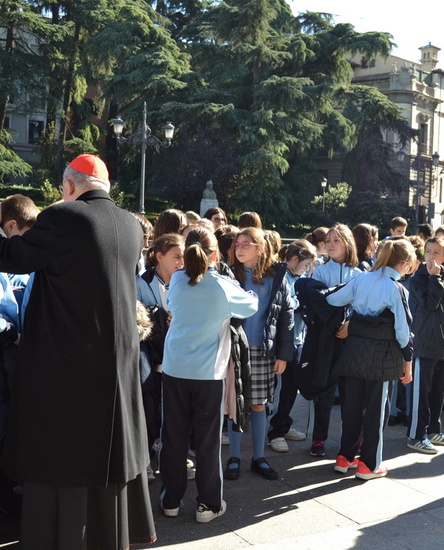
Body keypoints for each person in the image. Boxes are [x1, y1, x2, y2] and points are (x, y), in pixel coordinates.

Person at [0, 154, 156, 549]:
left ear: (69, 185)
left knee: (64, 464)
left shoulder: (65, 217)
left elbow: (13, 257)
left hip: (67, 369)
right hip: (116, 365)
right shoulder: (130, 224)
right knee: (105, 461)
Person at [159, 227, 258, 521]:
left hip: (175, 368)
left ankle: (171, 500)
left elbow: (169, 305)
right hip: (207, 373)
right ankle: (208, 504)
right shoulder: (221, 284)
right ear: (215, 253)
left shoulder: (176, 280)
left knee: (173, 437)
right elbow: (251, 305)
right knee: (207, 442)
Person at [326, 239, 414, 480]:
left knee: (352, 406)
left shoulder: (362, 278)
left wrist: (349, 319)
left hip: (354, 349)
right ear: (405, 263)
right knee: (376, 411)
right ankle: (369, 464)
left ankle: (345, 457)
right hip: (383, 355)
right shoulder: (396, 288)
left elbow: (333, 299)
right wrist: (408, 361)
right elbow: (403, 331)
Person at [225, 227, 294, 480]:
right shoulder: (228, 273)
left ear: (260, 247)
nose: (239, 249)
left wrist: (283, 355)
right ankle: (234, 457)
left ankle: (258, 458)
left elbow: (286, 318)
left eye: (246, 244)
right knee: (235, 405)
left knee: (258, 405)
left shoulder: (277, 276)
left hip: (263, 350)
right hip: (234, 349)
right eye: (237, 245)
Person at [136, 233, 186, 481]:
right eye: (176, 256)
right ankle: (145, 458)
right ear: (159, 256)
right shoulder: (141, 282)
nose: (181, 261)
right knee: (150, 407)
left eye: (184, 256)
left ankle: (175, 457)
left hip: (179, 355)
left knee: (176, 410)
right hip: (152, 354)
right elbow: (137, 320)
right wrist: (158, 317)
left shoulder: (186, 281)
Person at [309, 224, 360, 457]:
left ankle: (351, 441)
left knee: (351, 395)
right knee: (325, 393)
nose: (329, 244)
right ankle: (318, 439)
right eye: (327, 240)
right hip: (326, 340)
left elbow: (362, 308)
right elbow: (319, 304)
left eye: (336, 240)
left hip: (350, 343)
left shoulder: (360, 275)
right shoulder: (319, 271)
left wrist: (350, 325)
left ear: (348, 244)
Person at [407, 236, 444, 454]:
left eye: (437, 252)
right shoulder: (420, 278)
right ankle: (416, 435)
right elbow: (430, 303)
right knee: (421, 392)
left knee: (438, 392)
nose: (431, 256)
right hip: (424, 343)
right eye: (428, 252)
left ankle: (432, 430)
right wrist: (434, 278)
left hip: (443, 344)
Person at [268, 239, 317, 452]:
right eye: (306, 264)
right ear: (294, 259)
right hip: (283, 341)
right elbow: (285, 303)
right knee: (282, 387)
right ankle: (275, 431)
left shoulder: (298, 276)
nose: (307, 270)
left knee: (291, 386)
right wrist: (303, 300)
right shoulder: (282, 277)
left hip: (298, 338)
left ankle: (283, 422)